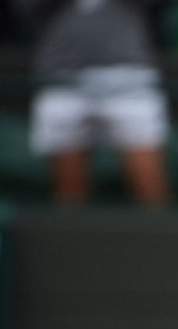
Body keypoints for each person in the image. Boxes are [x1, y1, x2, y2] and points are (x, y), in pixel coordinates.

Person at [18, 0, 170, 205]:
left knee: (150, 183)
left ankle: (159, 234)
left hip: (128, 78)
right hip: (62, 78)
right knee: (69, 189)